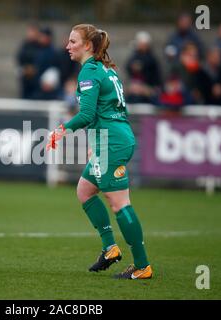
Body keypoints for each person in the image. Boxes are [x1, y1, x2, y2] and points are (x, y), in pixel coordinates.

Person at [47, 24, 152, 280]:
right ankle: (110, 248)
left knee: (119, 203)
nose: (67, 46)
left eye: (72, 41)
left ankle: (142, 267)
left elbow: (87, 114)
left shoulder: (88, 72)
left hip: (112, 143)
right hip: (111, 139)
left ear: (87, 46)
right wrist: (96, 145)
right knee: (85, 190)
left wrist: (61, 130)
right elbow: (106, 111)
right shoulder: (105, 69)